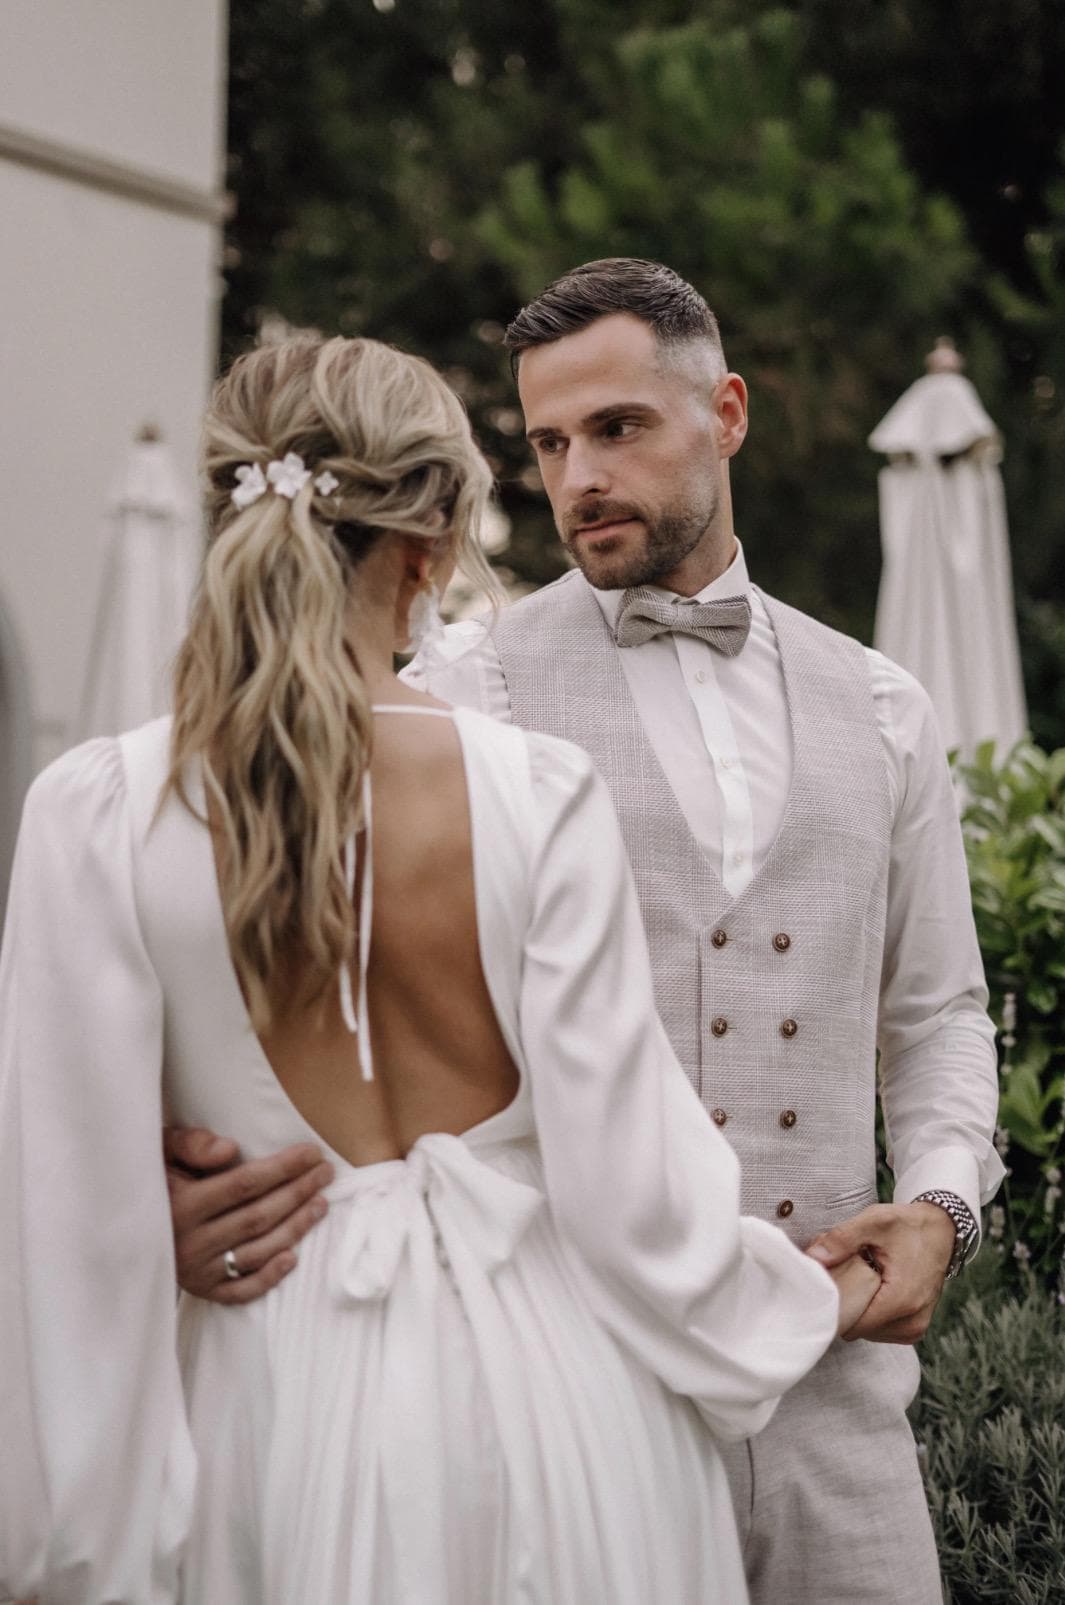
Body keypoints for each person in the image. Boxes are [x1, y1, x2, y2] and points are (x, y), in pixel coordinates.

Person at [166, 261, 1005, 1604]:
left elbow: (938, 1016)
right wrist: (179, 1171)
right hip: (582, 1400)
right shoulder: (457, 693)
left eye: (616, 429)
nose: (574, 478)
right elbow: (303, 988)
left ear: (725, 412)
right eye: (548, 443)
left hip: (842, 1412)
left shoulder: (889, 705)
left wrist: (947, 1207)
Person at [0, 333, 877, 1604]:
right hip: (565, 1424)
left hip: (265, 1408)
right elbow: (636, 1201)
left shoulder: (99, 810)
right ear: (428, 548)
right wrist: (818, 1297)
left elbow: (61, 1224)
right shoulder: (539, 795)